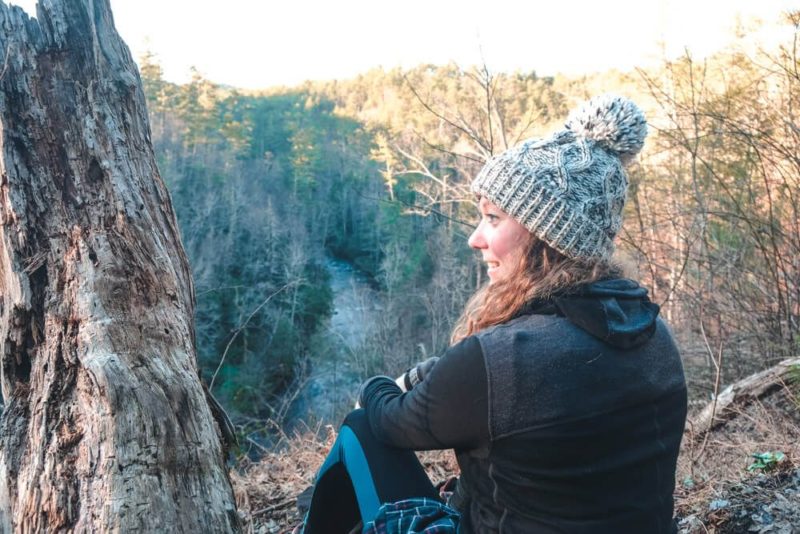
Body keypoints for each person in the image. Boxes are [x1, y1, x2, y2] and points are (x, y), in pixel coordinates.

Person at [297, 95, 688, 533]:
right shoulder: (654, 337)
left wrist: (375, 387)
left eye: (492, 218)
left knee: (361, 428)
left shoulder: (499, 360)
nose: (475, 238)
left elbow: (391, 421)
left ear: (546, 235)